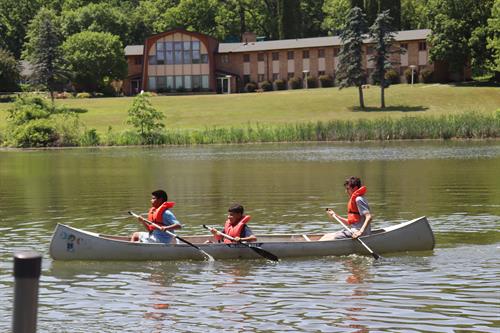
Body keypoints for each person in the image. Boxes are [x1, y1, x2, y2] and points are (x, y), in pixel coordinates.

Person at [320, 176, 372, 241]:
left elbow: (369, 217)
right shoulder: (356, 199)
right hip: (353, 231)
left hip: (360, 234)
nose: (346, 191)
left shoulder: (358, 199)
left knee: (328, 239)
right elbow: (350, 223)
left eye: (348, 189)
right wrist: (335, 216)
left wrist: (360, 232)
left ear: (355, 188)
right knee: (327, 236)